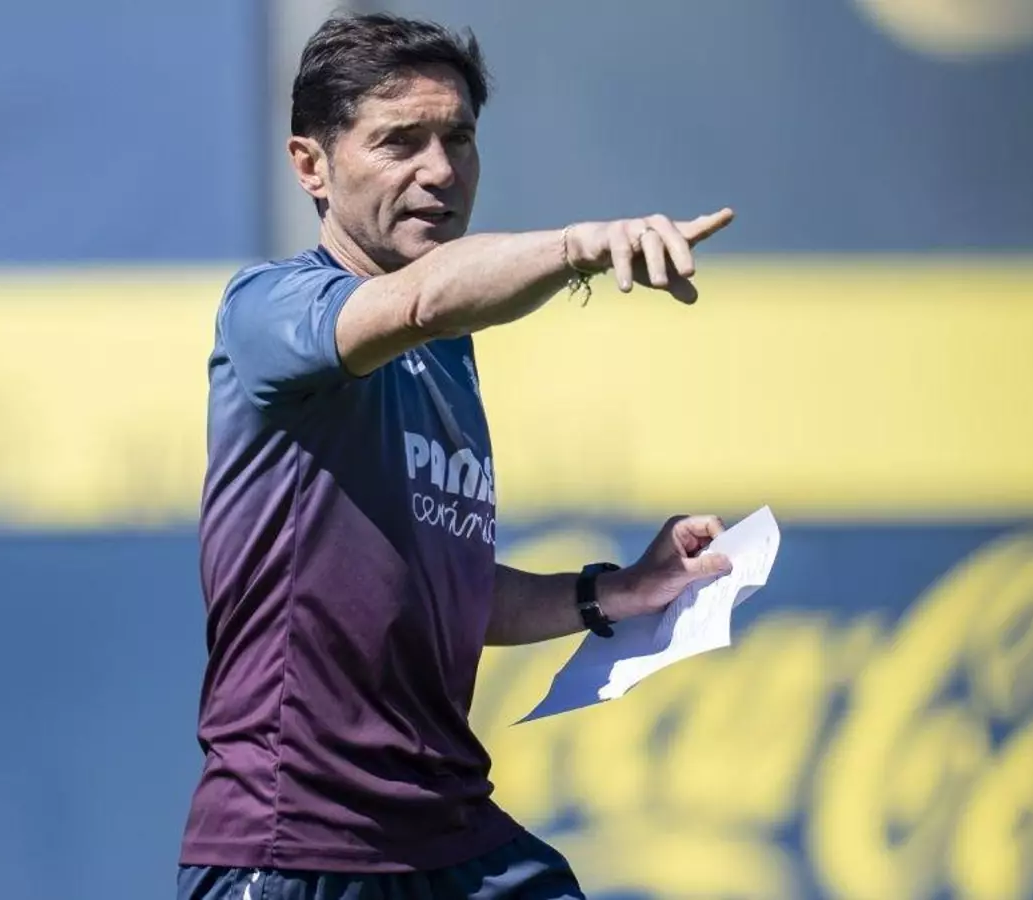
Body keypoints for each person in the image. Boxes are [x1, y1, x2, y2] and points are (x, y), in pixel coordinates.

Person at [179, 12, 737, 900]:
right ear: (311, 166)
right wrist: (580, 247)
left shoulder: (446, 355)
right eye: (400, 141)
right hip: (299, 847)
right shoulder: (272, 309)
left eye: (459, 139)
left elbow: (449, 590)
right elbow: (421, 300)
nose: (440, 170)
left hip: (448, 834)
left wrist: (613, 591)